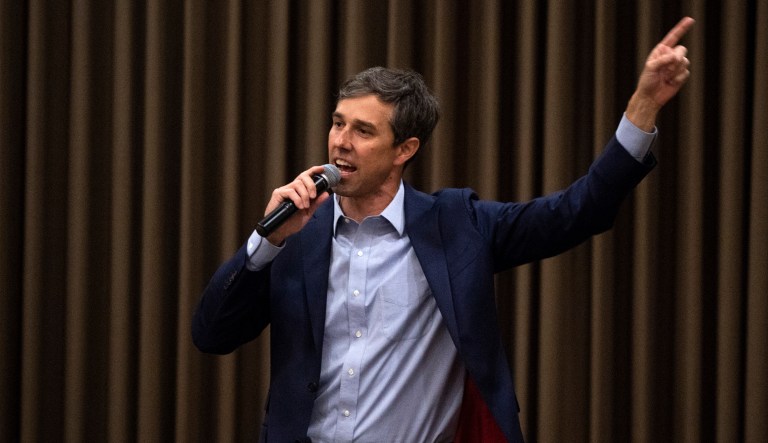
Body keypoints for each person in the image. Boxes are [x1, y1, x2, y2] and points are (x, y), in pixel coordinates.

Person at [192, 17, 694, 443]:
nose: (340, 143)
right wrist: (266, 240)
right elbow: (211, 335)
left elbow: (577, 211)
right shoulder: (297, 235)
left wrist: (643, 106)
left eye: (363, 131)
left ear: (405, 149)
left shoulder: (460, 226)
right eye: (338, 123)